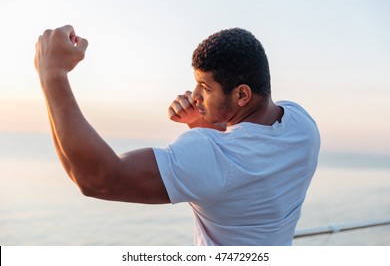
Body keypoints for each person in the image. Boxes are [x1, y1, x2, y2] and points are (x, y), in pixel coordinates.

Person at [34, 25, 320, 246]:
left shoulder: (210, 155)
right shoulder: (302, 125)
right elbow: (246, 153)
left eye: (205, 87)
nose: (194, 96)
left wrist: (52, 72)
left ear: (242, 94)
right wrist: (201, 123)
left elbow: (98, 178)